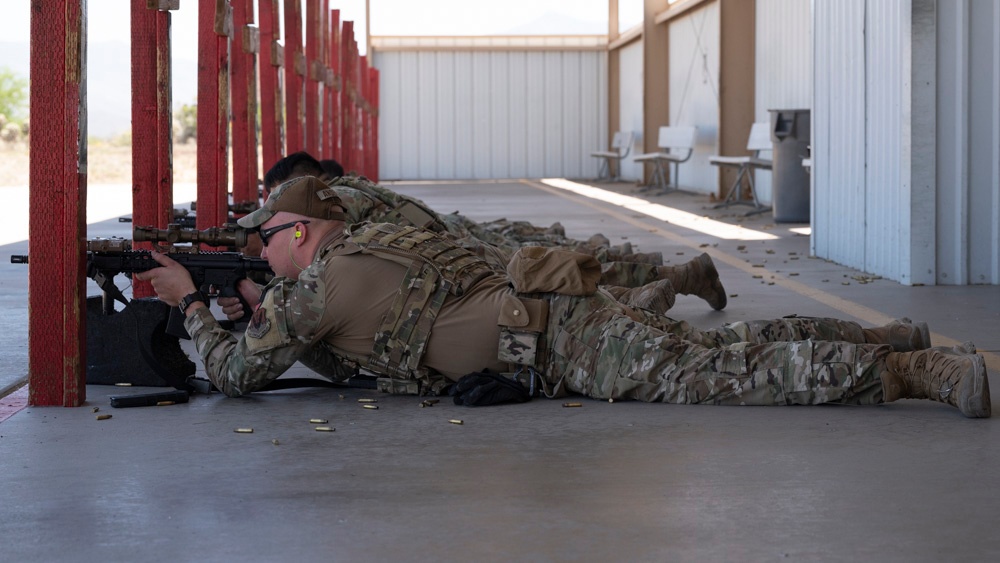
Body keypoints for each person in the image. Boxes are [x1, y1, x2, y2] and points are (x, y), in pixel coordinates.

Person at [135, 176, 991, 418]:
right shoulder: (373, 243)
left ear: (298, 235)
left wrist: (190, 302)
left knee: (736, 376)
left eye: (264, 237)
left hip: (561, 342)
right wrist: (251, 296)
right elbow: (366, 340)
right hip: (556, 319)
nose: (258, 250)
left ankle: (920, 372)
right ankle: (888, 339)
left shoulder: (316, 286)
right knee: (727, 350)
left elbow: (238, 376)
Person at [259, 152, 727, 312]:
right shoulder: (349, 189)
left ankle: (675, 280)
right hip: (452, 248)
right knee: (567, 267)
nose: (272, 215)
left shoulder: (339, 199)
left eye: (276, 204)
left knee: (566, 273)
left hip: (455, 254)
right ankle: (678, 275)